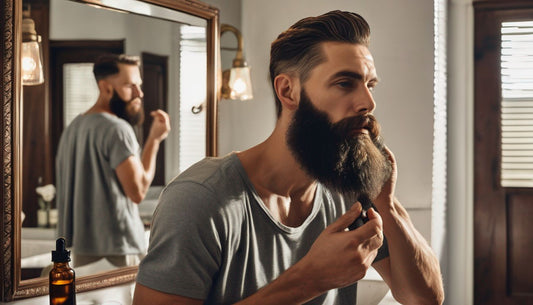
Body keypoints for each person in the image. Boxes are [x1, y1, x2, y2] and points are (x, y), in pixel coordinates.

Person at [133, 10, 444, 305]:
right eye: (345, 83)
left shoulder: (347, 188)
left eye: (370, 85)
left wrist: (387, 205)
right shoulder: (200, 199)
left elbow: (424, 298)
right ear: (288, 91)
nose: (368, 102)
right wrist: (310, 280)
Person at [55, 54, 171, 268]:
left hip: (78, 251)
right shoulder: (117, 129)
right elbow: (138, 192)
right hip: (117, 251)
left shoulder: (72, 128)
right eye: (129, 86)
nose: (139, 93)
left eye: (139, 85)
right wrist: (154, 139)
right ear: (105, 88)